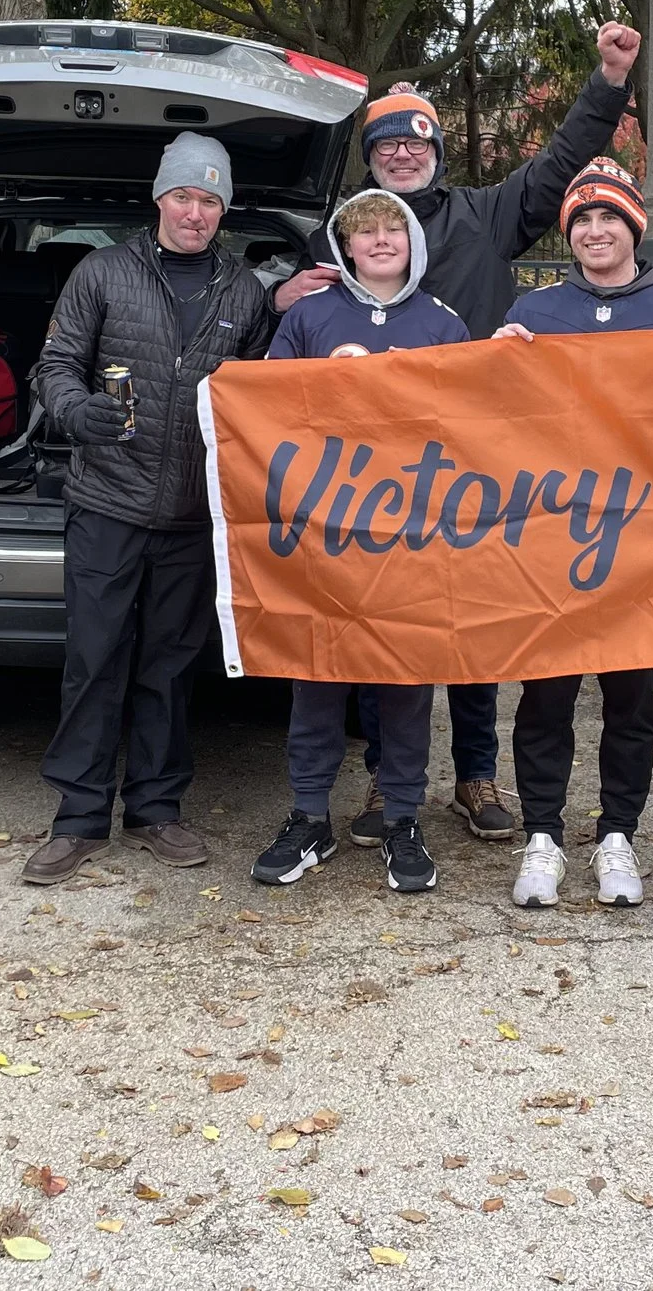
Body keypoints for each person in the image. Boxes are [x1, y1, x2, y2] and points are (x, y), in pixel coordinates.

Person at [303, 21, 642, 845]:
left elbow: (562, 163)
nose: (403, 155)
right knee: (393, 625)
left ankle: (476, 774)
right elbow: (303, 334)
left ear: (437, 152)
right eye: (387, 146)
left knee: (478, 617)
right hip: (378, 467)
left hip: (475, 458)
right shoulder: (340, 237)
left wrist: (608, 81)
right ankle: (389, 785)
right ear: (371, 159)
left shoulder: (487, 215)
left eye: (417, 144)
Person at [22, 134, 277, 883]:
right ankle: (76, 817)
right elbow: (55, 363)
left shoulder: (243, 290)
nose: (195, 212)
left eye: (209, 199)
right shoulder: (102, 272)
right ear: (159, 198)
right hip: (108, 499)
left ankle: (157, 809)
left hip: (196, 513)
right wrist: (76, 410)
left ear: (223, 207)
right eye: (184, 196)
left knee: (169, 667)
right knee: (94, 659)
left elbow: (265, 385)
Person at [489, 159, 653, 909]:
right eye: (581, 220)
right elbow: (492, 428)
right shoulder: (534, 315)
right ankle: (542, 834)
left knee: (630, 697)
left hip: (643, 541)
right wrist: (496, 367)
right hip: (554, 535)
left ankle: (617, 836)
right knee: (545, 693)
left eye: (609, 217)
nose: (595, 231)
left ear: (634, 225)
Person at [254, 187, 468, 895]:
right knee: (317, 674)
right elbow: (265, 409)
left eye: (392, 229)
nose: (380, 240)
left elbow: (481, 423)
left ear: (412, 241)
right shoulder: (310, 317)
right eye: (365, 231)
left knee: (406, 677)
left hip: (411, 534)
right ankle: (309, 813)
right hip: (326, 533)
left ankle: (402, 815)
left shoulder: (442, 324)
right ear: (344, 247)